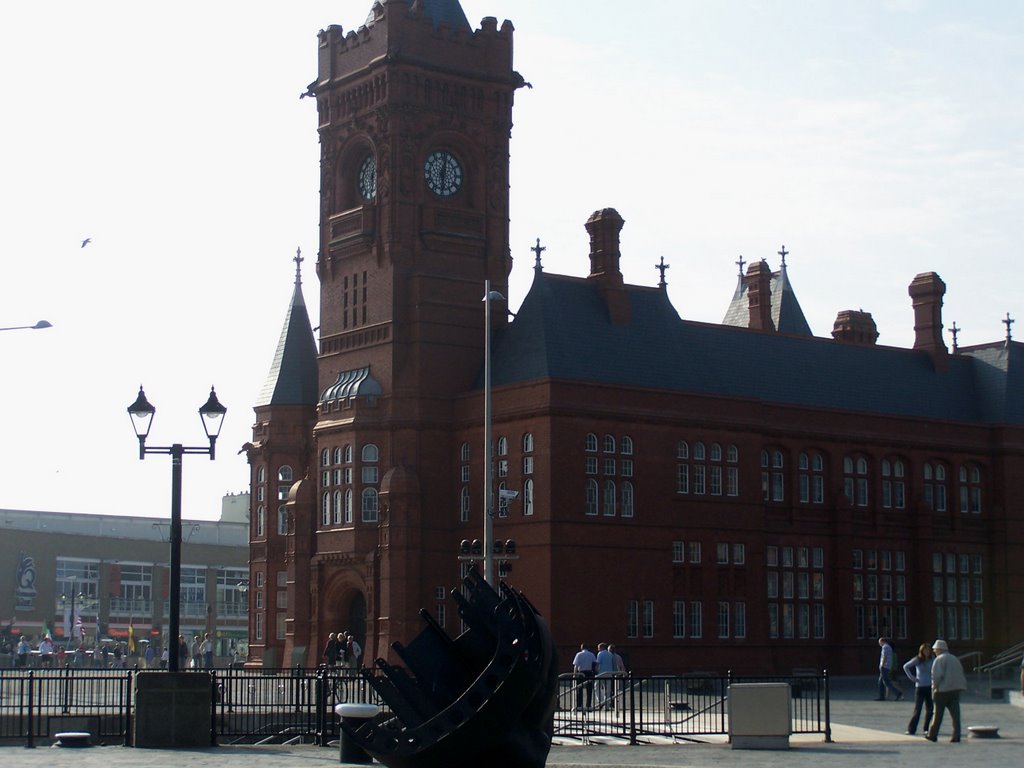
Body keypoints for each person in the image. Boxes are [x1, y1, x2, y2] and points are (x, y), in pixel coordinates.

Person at [927, 639, 966, 743]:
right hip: (955, 690)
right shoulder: (954, 659)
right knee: (955, 715)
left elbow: (936, 677)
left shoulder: (939, 660)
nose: (934, 652)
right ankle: (956, 736)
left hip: (941, 691)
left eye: (935, 650)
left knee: (937, 715)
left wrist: (934, 688)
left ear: (939, 649)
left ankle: (932, 734)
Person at [902, 643, 934, 735]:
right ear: (922, 651)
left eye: (928, 650)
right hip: (920, 687)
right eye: (925, 650)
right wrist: (912, 678)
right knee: (918, 709)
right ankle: (911, 729)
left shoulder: (933, 659)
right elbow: (906, 666)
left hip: (929, 686)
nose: (927, 652)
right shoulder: (918, 660)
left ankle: (926, 728)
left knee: (930, 709)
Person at [572, 643, 597, 710]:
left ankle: (579, 705)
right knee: (589, 690)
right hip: (589, 673)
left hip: (581, 673)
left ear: (581, 648)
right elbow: (594, 664)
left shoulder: (579, 654)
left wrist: (574, 674)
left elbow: (576, 665)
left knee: (579, 689)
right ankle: (588, 705)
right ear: (588, 648)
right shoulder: (591, 654)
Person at [594, 643, 615, 709]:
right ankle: (607, 705)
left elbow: (597, 663)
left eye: (599, 648)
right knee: (607, 689)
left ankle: (600, 701)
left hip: (601, 673)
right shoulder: (610, 654)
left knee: (597, 687)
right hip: (609, 673)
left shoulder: (600, 654)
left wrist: (596, 671)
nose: (598, 649)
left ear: (602, 647)